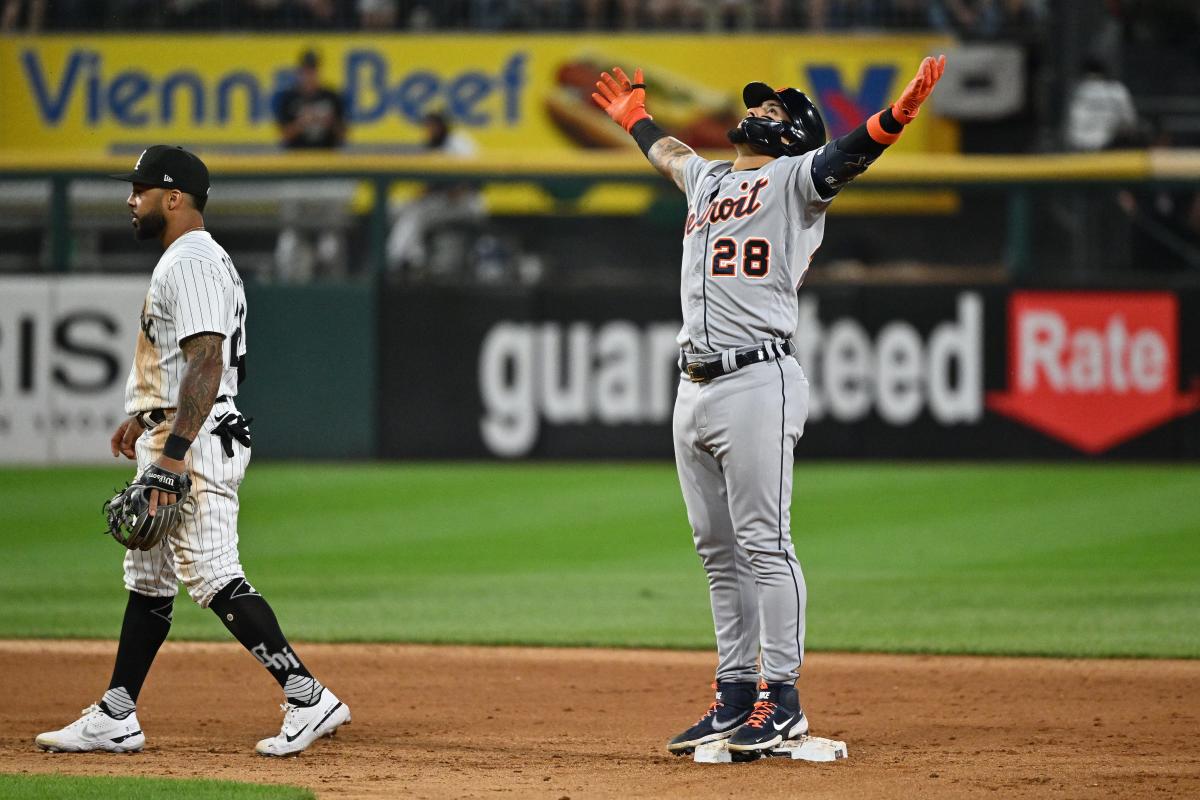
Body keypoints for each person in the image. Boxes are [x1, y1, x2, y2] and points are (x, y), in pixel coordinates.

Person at [592, 57, 946, 757]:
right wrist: (635, 117)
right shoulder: (710, 177)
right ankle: (731, 697)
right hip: (692, 385)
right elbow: (668, 155)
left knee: (764, 546)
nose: (759, 111)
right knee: (718, 553)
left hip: (758, 379)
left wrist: (896, 118)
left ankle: (779, 700)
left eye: (776, 111)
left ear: (794, 138)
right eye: (761, 106)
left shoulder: (795, 182)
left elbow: (850, 154)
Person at [34, 145, 350, 757]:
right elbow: (186, 362)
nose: (131, 199)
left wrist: (173, 453)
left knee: (211, 574)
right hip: (177, 431)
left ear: (173, 197)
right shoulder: (187, 260)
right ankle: (117, 713)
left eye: (141, 189)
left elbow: (207, 359)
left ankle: (309, 696)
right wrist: (146, 416)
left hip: (197, 443)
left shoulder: (192, 261)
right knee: (148, 580)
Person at [276, 49, 346, 149]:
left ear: (318, 71)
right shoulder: (289, 97)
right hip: (295, 158)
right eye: (306, 71)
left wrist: (329, 122)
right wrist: (301, 123)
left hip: (327, 157)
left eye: (313, 70)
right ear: (299, 72)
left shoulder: (331, 96)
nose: (309, 75)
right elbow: (283, 136)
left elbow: (343, 136)